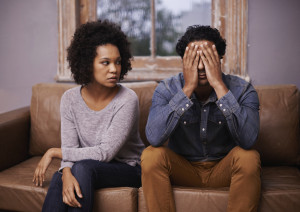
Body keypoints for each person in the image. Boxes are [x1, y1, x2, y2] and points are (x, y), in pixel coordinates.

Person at [141, 25, 261, 212]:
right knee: (151, 155)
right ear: (183, 61)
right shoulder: (167, 89)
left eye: (206, 59)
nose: (200, 66)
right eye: (194, 59)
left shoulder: (243, 90)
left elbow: (248, 141)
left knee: (249, 157)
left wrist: (219, 85)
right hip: (183, 168)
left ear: (220, 59)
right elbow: (154, 138)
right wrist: (188, 88)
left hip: (224, 168)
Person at [32, 20, 144, 211]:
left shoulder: (127, 99)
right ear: (86, 63)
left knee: (83, 168)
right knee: (62, 176)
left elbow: (104, 153)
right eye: (105, 62)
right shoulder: (69, 99)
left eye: (117, 62)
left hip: (128, 169)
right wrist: (66, 171)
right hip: (85, 166)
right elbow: (71, 147)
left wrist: (53, 152)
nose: (114, 69)